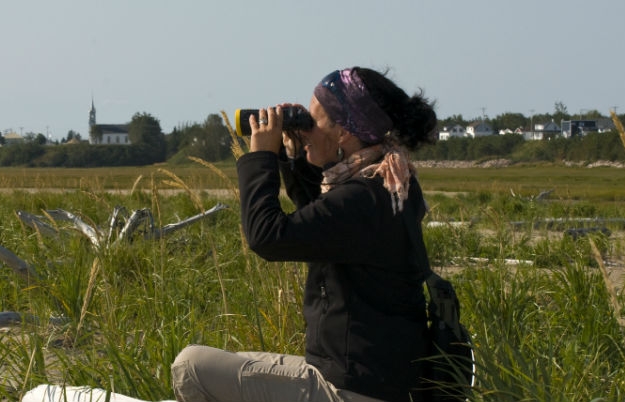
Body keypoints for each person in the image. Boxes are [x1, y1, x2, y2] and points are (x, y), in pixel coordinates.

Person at [171, 67, 439, 402]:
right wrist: (294, 157)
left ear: (343, 132)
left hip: (353, 390)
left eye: (311, 120)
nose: (304, 128)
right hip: (376, 379)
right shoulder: (389, 180)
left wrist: (261, 158)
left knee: (190, 366)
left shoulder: (362, 198)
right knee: (239, 361)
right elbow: (323, 226)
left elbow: (267, 237)